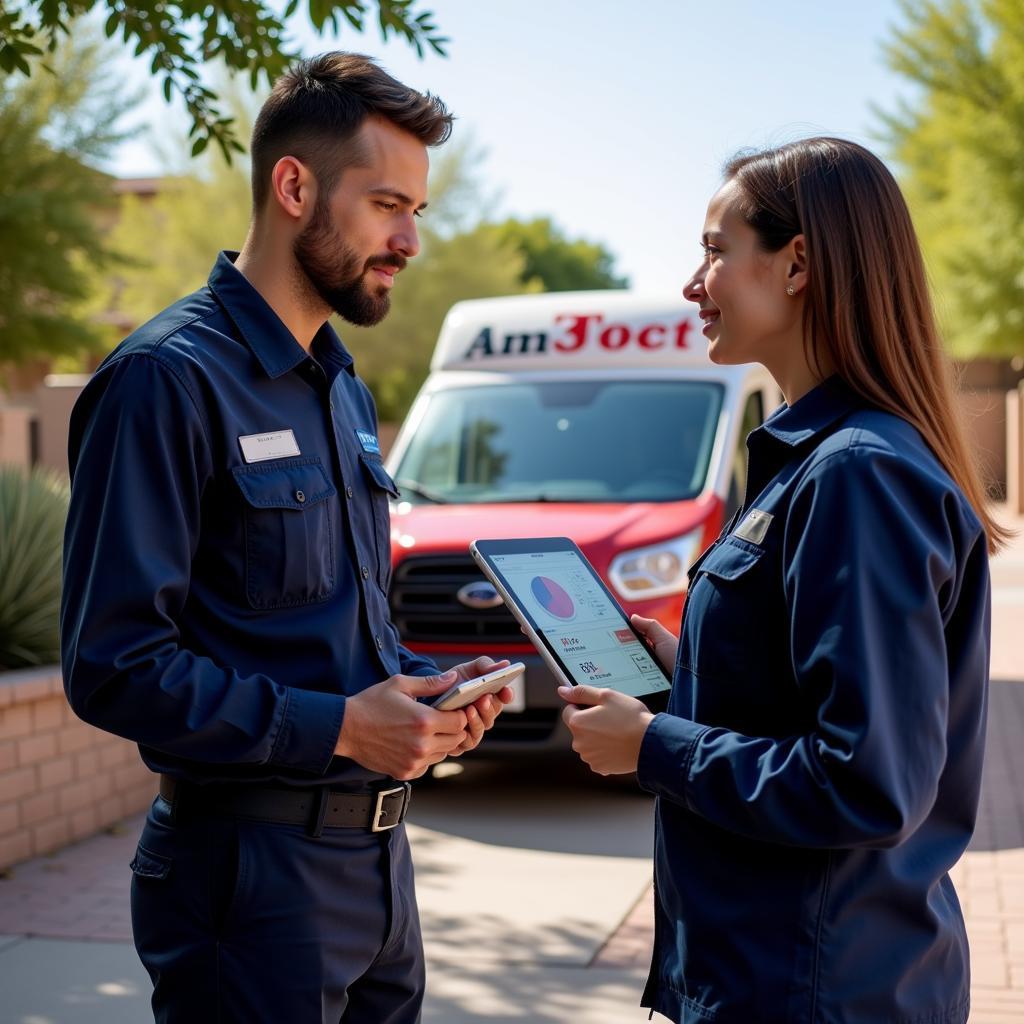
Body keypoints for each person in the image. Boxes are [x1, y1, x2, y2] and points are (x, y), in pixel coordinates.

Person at [60, 52, 513, 1024]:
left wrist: (424, 692)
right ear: (294, 185)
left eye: (417, 213)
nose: (408, 240)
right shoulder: (165, 382)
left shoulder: (343, 389)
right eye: (387, 204)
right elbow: (113, 666)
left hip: (379, 873)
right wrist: (345, 726)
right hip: (246, 884)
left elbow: (325, 629)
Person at [559, 137, 1004, 1024]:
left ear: (797, 263)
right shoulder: (823, 458)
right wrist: (690, 665)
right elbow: (815, 696)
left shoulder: (857, 474)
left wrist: (653, 746)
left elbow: (865, 780)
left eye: (716, 250)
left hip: (815, 988)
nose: (695, 283)